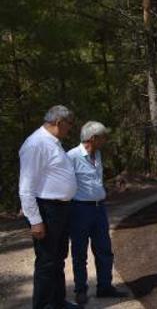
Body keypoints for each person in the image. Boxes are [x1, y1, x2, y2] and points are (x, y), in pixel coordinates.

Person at [18, 105, 79, 309]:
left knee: (58, 259)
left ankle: (58, 302)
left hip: (60, 209)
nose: (70, 129)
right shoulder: (36, 144)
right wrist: (35, 221)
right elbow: (26, 187)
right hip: (47, 209)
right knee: (46, 262)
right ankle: (43, 306)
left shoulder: (53, 143)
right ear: (59, 123)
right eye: (69, 125)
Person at [68, 121, 128, 305]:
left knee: (104, 249)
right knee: (79, 252)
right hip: (79, 210)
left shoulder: (98, 154)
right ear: (93, 138)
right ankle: (80, 290)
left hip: (99, 208)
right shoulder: (71, 156)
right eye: (103, 137)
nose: (105, 140)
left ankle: (104, 287)